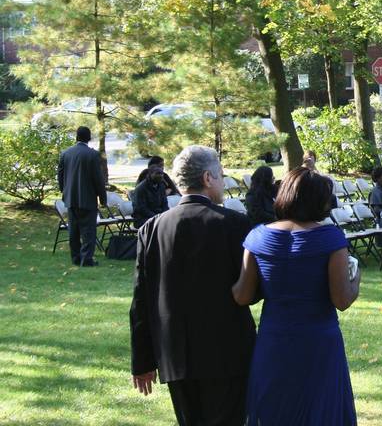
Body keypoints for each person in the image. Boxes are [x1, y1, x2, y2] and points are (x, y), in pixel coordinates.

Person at [129, 145, 256, 426]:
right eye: (221, 176)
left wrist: (142, 360)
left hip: (175, 353)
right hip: (228, 352)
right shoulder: (234, 224)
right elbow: (251, 291)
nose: (223, 183)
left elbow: (141, 300)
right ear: (208, 178)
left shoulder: (152, 229)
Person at [234, 168, 359, 425]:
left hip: (274, 338)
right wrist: (356, 279)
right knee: (321, 408)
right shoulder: (331, 239)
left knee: (275, 408)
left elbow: (243, 295)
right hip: (318, 340)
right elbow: (341, 300)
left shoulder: (257, 237)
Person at [57, 126, 107, 266]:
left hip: (70, 198)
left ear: (76, 137)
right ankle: (86, 259)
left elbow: (60, 176)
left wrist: (65, 192)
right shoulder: (93, 155)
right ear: (89, 138)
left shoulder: (66, 153)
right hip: (88, 198)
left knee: (74, 230)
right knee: (88, 231)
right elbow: (98, 179)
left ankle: (75, 257)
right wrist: (102, 198)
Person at [130, 164, 169, 229]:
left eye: (162, 173)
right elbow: (141, 208)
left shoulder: (161, 186)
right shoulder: (141, 188)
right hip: (142, 219)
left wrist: (165, 215)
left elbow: (165, 203)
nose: (161, 176)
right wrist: (156, 217)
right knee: (161, 225)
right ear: (150, 174)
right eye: (157, 173)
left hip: (158, 217)